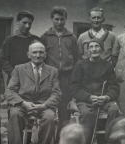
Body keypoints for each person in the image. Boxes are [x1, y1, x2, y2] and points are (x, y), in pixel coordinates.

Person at [5, 41, 61, 144]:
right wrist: (23, 103)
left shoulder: (53, 71)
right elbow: (9, 91)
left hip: (44, 105)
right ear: (28, 55)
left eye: (41, 52)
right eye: (34, 52)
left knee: (49, 117)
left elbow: (56, 93)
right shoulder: (19, 69)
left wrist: (44, 106)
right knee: (15, 115)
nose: (38, 55)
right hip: (22, 104)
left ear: (45, 54)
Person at [70, 38, 120, 144]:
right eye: (91, 47)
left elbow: (114, 87)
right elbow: (74, 88)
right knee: (87, 113)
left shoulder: (108, 65)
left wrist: (107, 97)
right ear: (87, 51)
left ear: (102, 50)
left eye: (97, 46)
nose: (94, 49)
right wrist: (89, 97)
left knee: (114, 110)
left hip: (104, 100)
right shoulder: (80, 65)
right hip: (86, 100)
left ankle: (110, 141)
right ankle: (86, 141)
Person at [40, 6, 78, 141]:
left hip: (67, 78)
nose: (59, 22)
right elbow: (41, 57)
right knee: (48, 111)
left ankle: (60, 140)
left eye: (62, 19)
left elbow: (76, 57)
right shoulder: (45, 36)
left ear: (66, 20)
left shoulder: (72, 37)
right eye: (56, 19)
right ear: (52, 19)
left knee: (64, 112)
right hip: (50, 78)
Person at [1, 10, 40, 82]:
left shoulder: (36, 39)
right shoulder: (9, 40)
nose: (27, 26)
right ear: (17, 22)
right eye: (24, 23)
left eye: (30, 23)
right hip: (15, 78)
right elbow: (4, 60)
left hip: (33, 78)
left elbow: (41, 58)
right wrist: (14, 74)